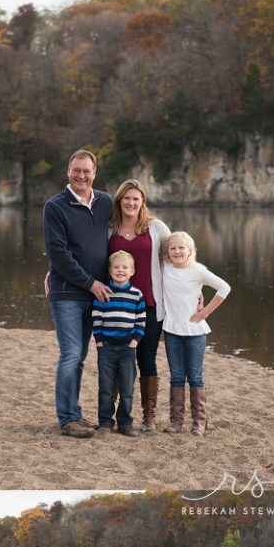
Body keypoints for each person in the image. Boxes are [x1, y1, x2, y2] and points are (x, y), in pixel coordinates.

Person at [43, 149, 112, 438]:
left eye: (86, 171)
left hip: (95, 295)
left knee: (80, 356)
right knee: (71, 354)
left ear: (94, 173)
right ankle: (67, 419)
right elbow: (58, 253)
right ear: (68, 171)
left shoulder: (106, 202)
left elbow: (137, 221)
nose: (81, 175)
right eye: (76, 170)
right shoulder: (55, 206)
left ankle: (75, 413)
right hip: (68, 293)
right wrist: (91, 283)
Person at [107, 179, 172, 431]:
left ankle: (148, 418)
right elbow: (91, 257)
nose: (131, 203)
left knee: (146, 358)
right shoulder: (109, 228)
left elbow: (179, 256)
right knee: (117, 358)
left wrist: (194, 289)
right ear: (119, 201)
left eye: (136, 198)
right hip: (116, 305)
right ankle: (110, 415)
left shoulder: (156, 228)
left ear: (142, 201)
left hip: (150, 305)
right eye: (126, 198)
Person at [161, 231, 231, 435]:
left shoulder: (198, 270)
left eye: (181, 247)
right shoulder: (164, 268)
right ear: (167, 251)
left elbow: (224, 288)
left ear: (190, 250)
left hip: (195, 332)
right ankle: (175, 422)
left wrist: (206, 311)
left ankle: (199, 422)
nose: (177, 251)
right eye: (173, 248)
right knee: (176, 376)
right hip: (172, 330)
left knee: (195, 376)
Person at [92, 250, 146, 437]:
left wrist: (134, 342)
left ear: (132, 271)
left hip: (127, 348)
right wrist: (99, 342)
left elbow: (141, 320)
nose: (120, 270)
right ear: (110, 271)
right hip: (106, 347)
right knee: (106, 387)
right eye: (116, 267)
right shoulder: (104, 292)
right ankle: (105, 422)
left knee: (127, 388)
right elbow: (97, 318)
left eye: (125, 267)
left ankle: (125, 422)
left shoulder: (136, 295)